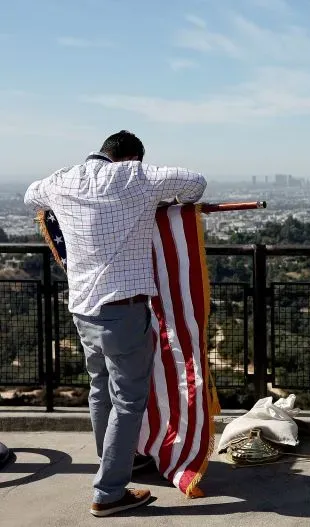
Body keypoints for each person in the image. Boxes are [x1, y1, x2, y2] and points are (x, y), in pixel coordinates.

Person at [23, 130, 207, 517]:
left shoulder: (62, 179)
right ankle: (109, 491)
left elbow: (30, 196)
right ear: (131, 157)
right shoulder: (136, 177)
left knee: (99, 389)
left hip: (83, 309)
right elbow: (196, 183)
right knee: (128, 400)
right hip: (123, 308)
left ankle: (111, 461)